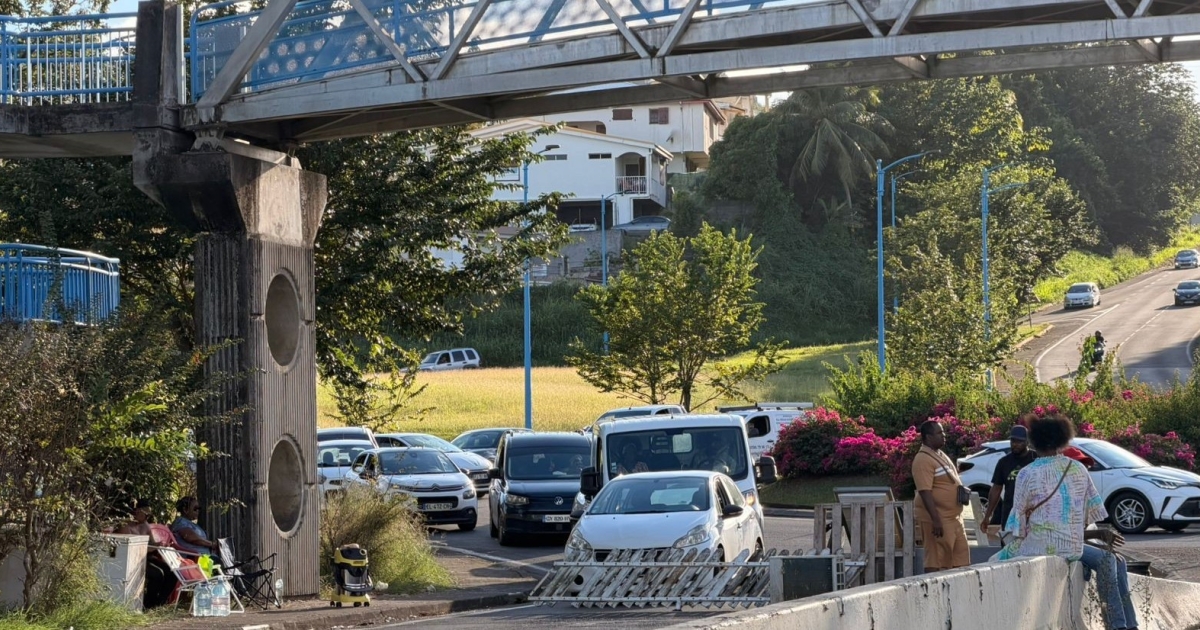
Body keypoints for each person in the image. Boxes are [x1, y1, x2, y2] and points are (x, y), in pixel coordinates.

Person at [997, 415, 1138, 630]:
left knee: (995, 560)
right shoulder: (1078, 469)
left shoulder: (1026, 474)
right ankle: (1122, 625)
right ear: (1062, 441)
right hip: (1071, 547)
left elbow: (1017, 526)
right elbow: (1086, 515)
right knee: (1110, 560)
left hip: (1038, 546)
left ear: (1034, 442)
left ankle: (1120, 626)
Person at [911, 420, 970, 571]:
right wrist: (936, 520)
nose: (944, 435)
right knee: (937, 561)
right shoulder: (922, 459)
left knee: (960, 560)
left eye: (943, 432)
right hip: (939, 519)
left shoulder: (939, 454)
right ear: (928, 437)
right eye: (939, 433)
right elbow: (925, 491)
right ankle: (933, 593)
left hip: (954, 518)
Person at [981, 425, 1037, 531]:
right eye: (1013, 441)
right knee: (1008, 546)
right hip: (1010, 514)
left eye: (1019, 442)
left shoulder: (1036, 459)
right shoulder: (1004, 462)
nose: (1015, 444)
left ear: (1027, 442)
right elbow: (996, 489)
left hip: (1032, 515)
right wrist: (987, 516)